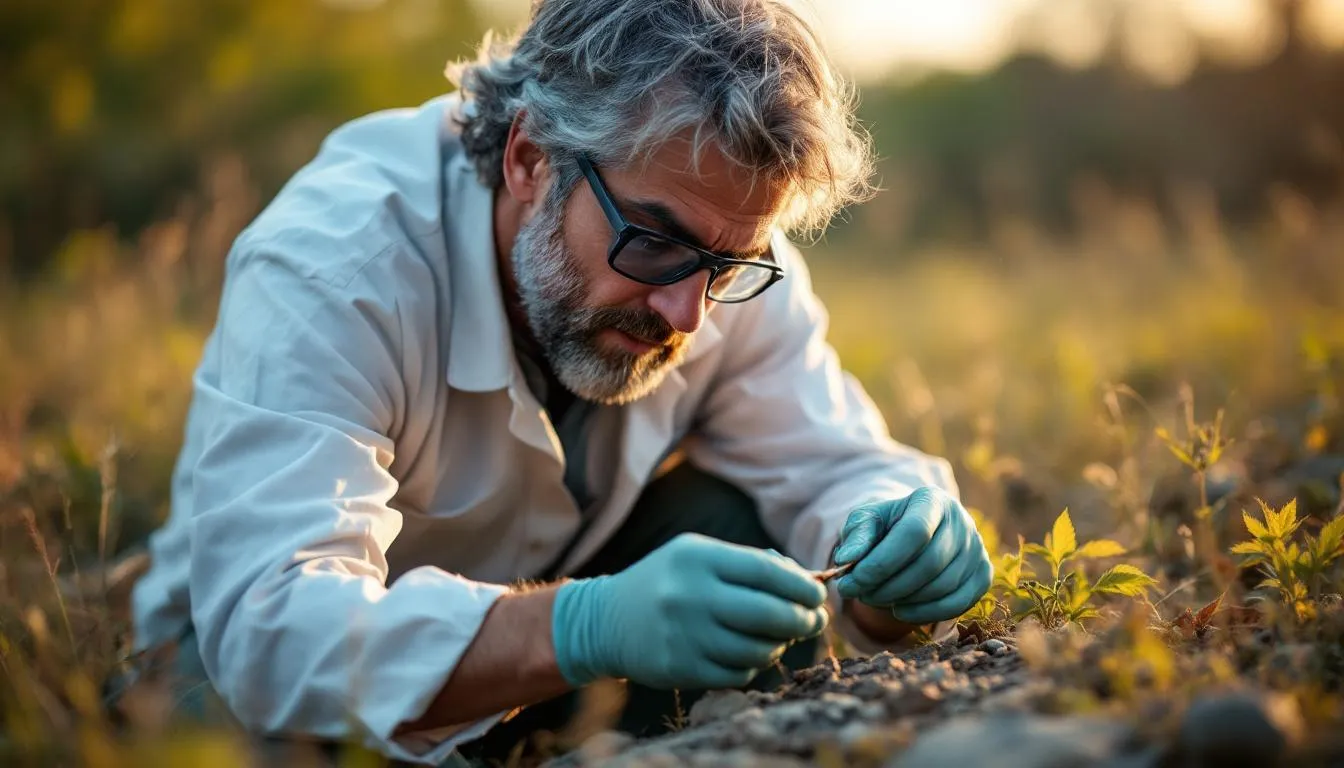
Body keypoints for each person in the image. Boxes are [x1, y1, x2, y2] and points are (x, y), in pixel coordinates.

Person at [124, 0, 992, 764]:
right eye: (650, 239)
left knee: (743, 526)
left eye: (729, 264)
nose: (688, 312)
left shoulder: (717, 254)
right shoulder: (335, 265)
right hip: (240, 699)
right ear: (530, 158)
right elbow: (273, 634)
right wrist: (583, 627)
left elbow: (835, 466)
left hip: (532, 671)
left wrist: (894, 554)